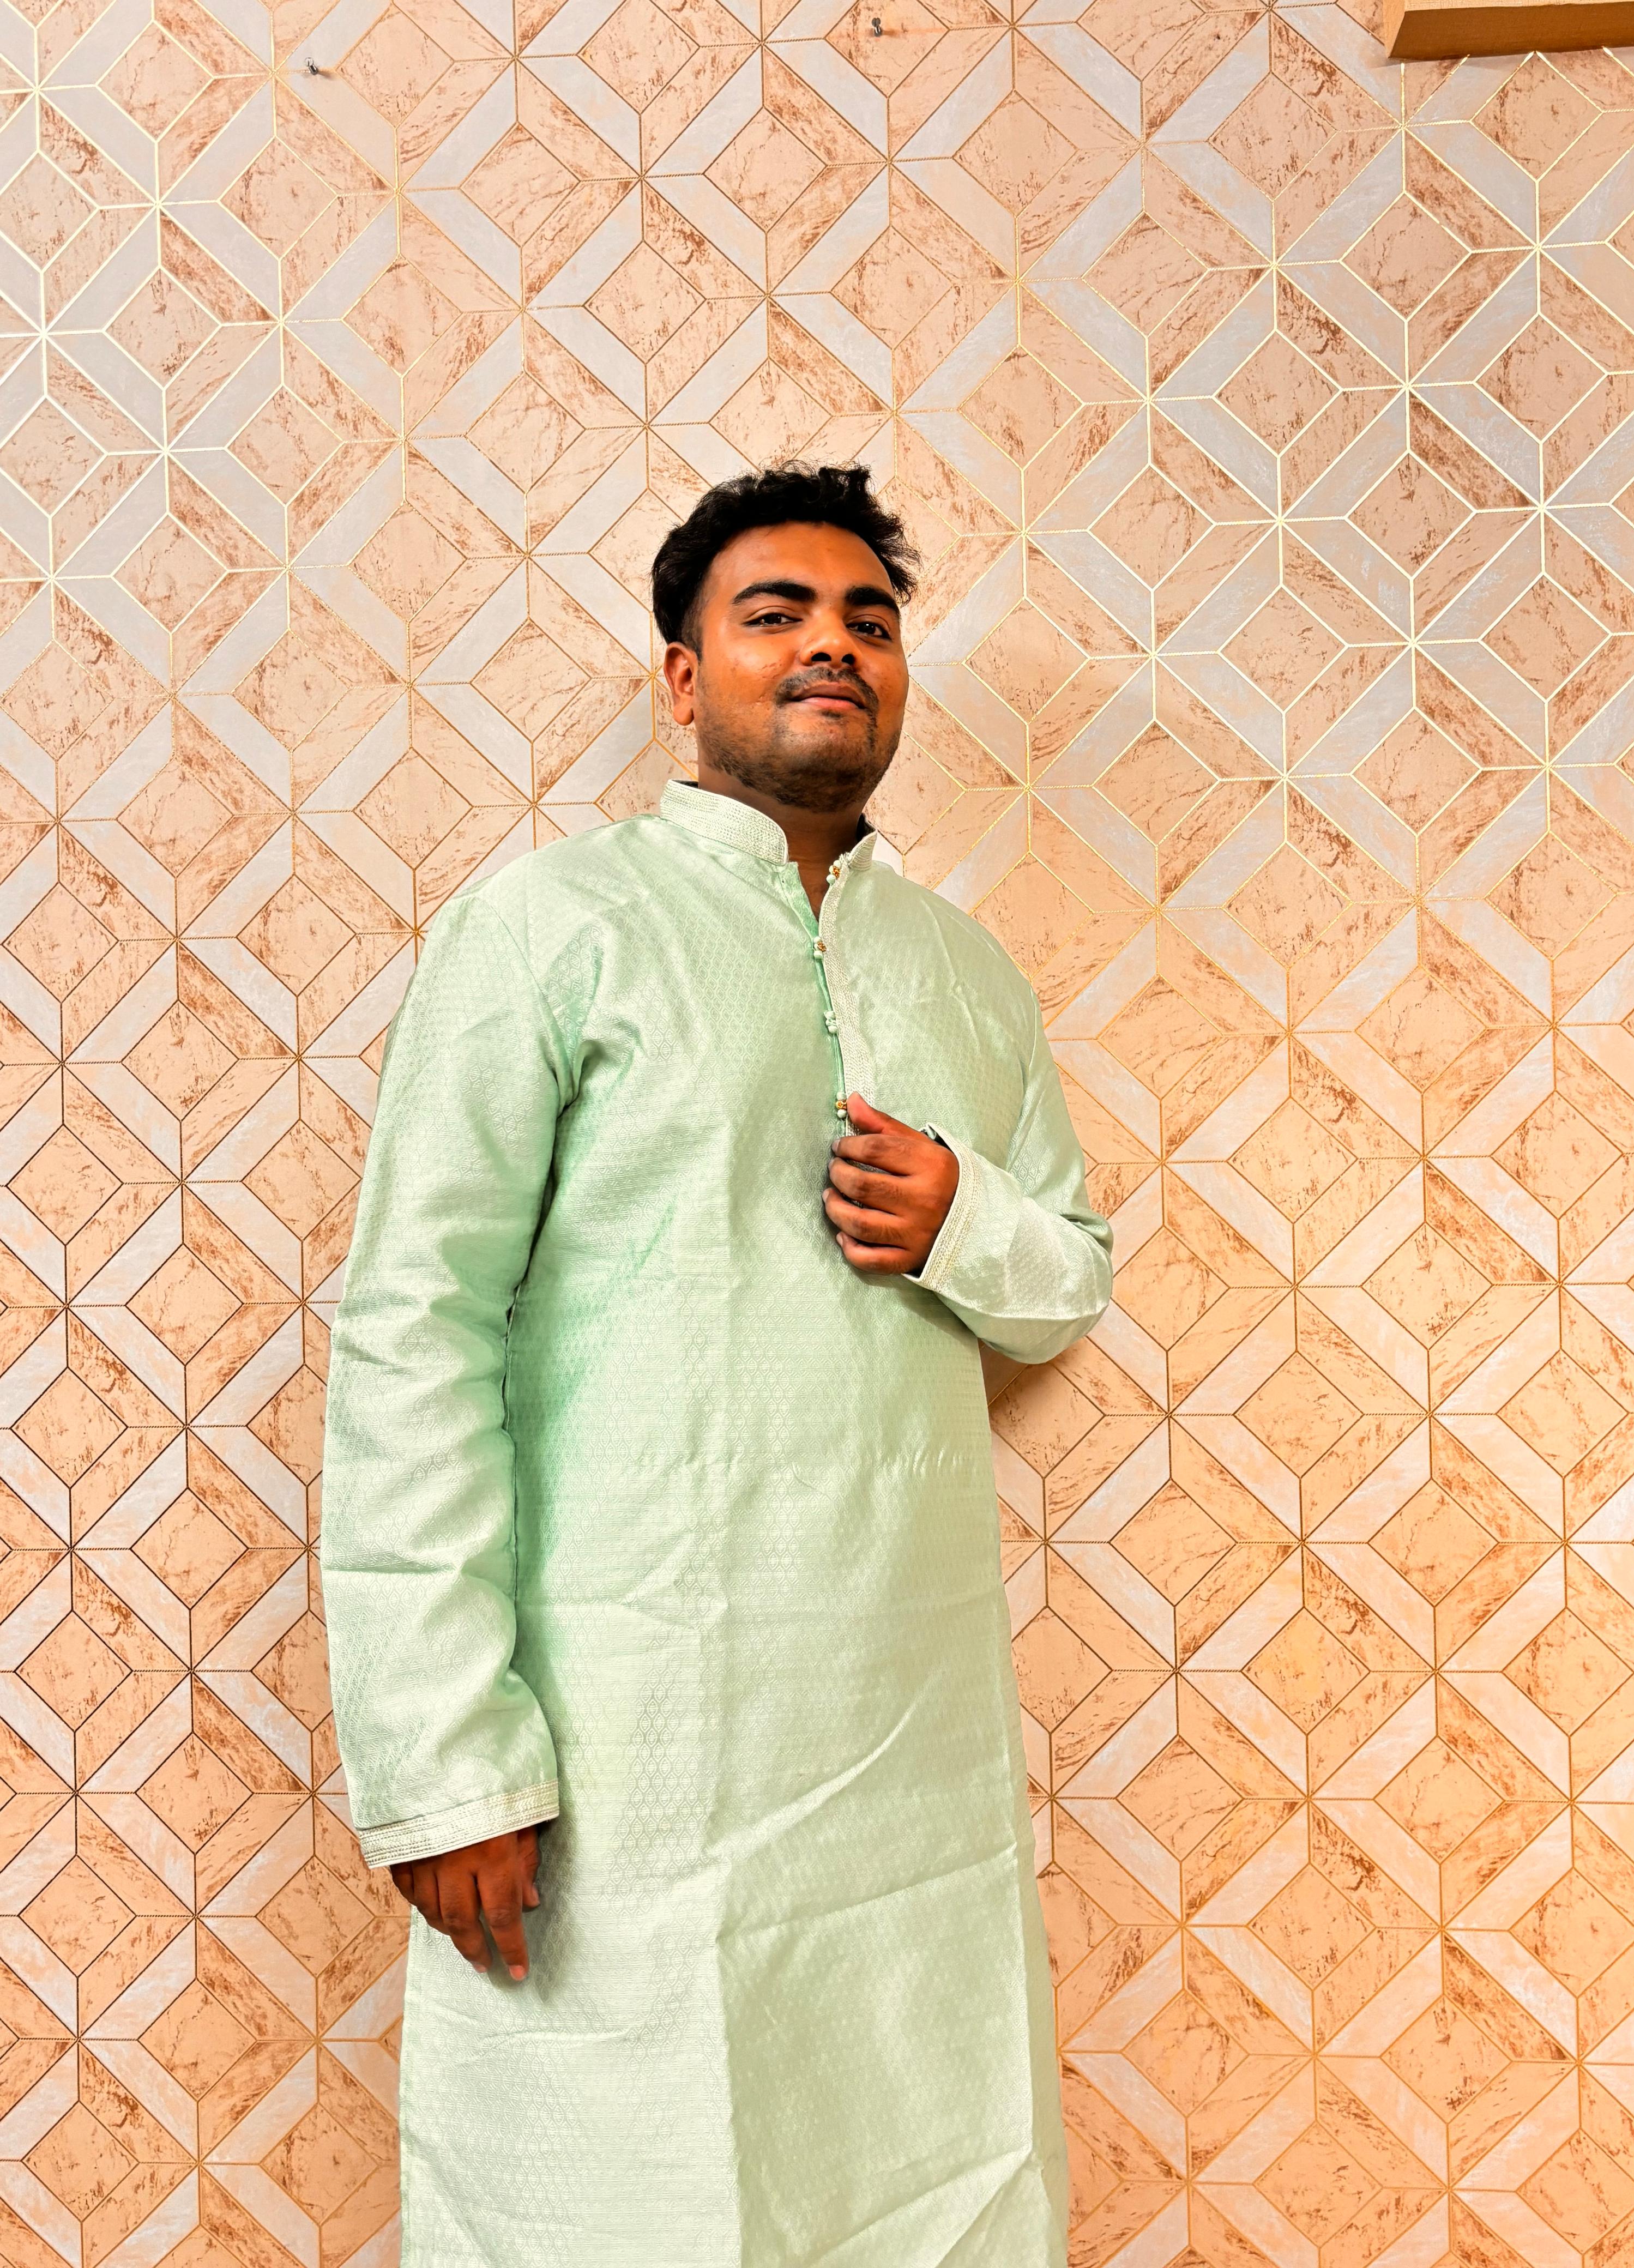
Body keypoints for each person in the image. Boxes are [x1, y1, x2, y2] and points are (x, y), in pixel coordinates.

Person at [320, 461, 1114, 2266]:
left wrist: (962, 1216)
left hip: (903, 1748)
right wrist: (447, 1757)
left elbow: (1065, 1271)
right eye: (777, 614)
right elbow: (415, 1326)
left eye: (869, 621)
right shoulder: (553, 930)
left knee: (921, 2178)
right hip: (626, 1740)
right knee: (614, 2193)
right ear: (684, 678)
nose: (834, 646)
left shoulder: (965, 972)